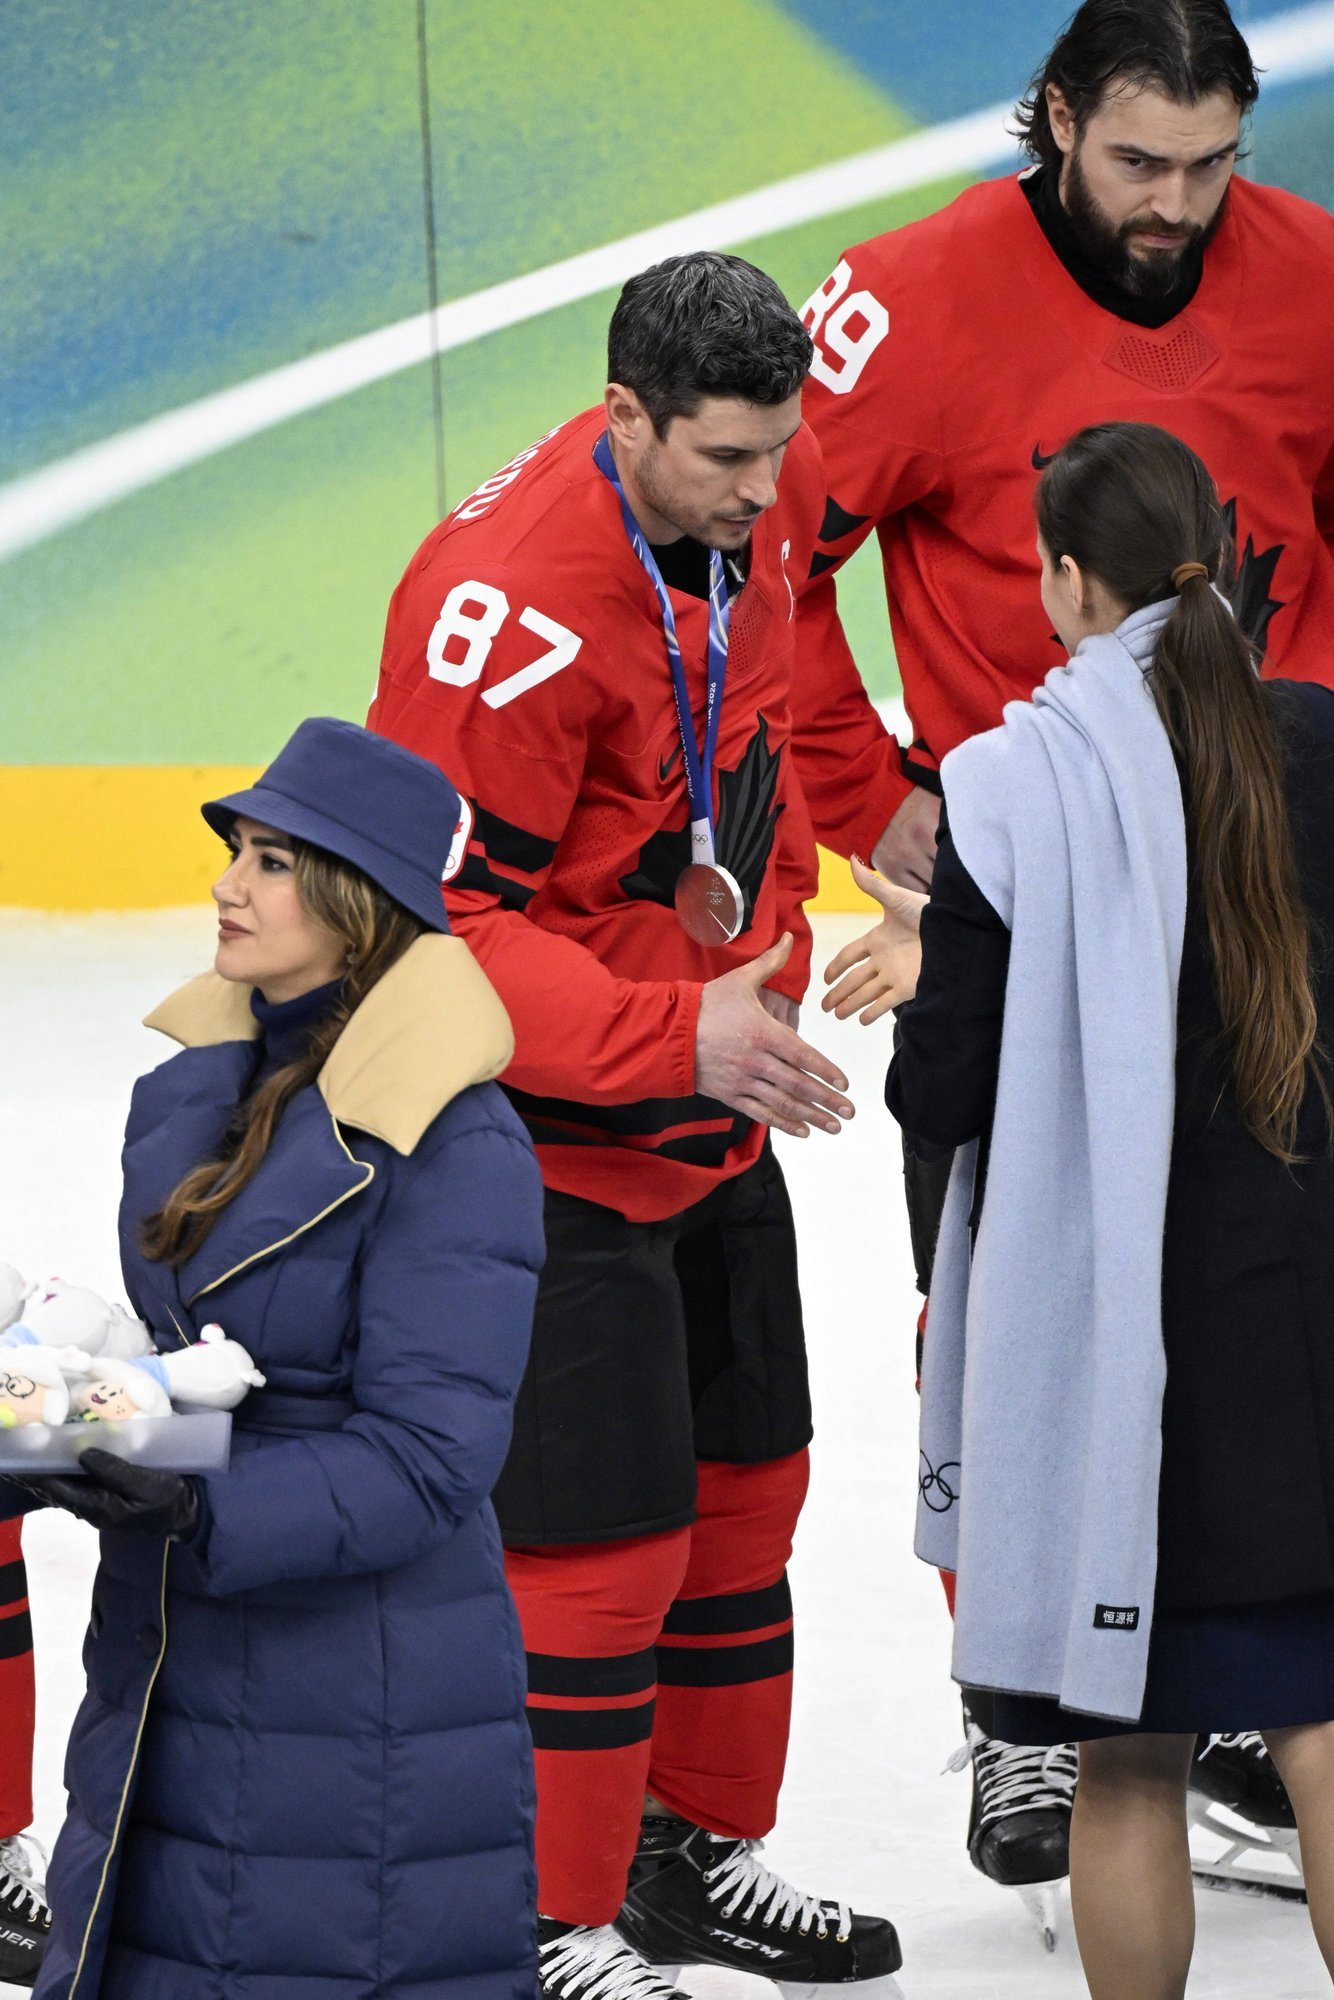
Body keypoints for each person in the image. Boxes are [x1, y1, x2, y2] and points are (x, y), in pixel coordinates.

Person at [789, 0, 1334, 1901]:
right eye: (1134, 165)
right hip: (1025, 882)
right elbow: (779, 542)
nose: (1173, 208)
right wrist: (866, 802)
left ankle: (1257, 1681)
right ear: (1051, 124)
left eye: (1209, 166)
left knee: (1273, 1288)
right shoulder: (907, 299)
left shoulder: (1315, 276)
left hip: (1276, 883)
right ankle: (1023, 1703)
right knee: (1012, 1298)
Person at [370, 251, 905, 2000]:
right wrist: (677, 1030)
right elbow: (435, 933)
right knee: (594, 1555)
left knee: (748, 1501)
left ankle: (688, 1864)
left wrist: (841, 867)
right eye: (726, 465)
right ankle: (546, 1928)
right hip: (553, 1152)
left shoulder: (767, 475)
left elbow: (774, 684)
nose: (768, 500)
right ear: (621, 420)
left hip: (713, 1102)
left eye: (777, 454)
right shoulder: (497, 614)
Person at [887, 420, 1334, 2000]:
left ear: (1065, 582)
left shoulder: (1009, 788)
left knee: (1128, 1759)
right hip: (1306, 1318)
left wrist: (929, 971)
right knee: (1321, 1724)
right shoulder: (1316, 739)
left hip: (1123, 1350)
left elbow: (938, 1102)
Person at [4, 717, 545, 2000]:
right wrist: (44, 1415)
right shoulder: (217, 1086)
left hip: (353, 1704)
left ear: (360, 901)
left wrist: (198, 1494)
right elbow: (196, 1372)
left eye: (270, 861)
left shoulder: (456, 1142)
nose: (224, 886)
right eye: (234, 852)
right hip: (171, 1669)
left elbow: (428, 1457)